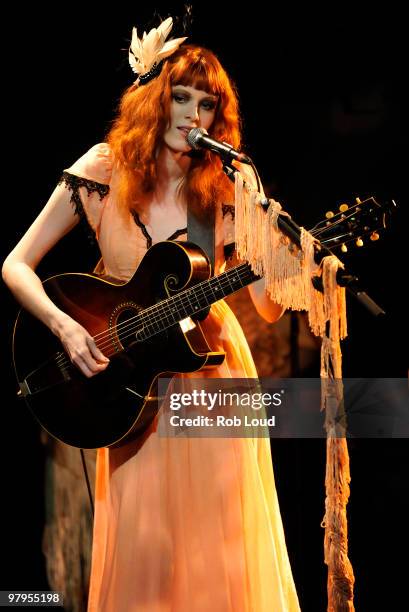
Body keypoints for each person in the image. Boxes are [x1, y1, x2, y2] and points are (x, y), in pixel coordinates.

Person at [2, 17, 300, 611]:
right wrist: (63, 325)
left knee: (222, 548)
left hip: (212, 377)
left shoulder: (223, 190)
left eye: (207, 105)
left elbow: (267, 308)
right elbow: (15, 264)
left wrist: (276, 237)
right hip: (126, 383)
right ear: (154, 99)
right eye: (180, 98)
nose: (192, 115)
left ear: (220, 118)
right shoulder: (101, 171)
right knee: (147, 552)